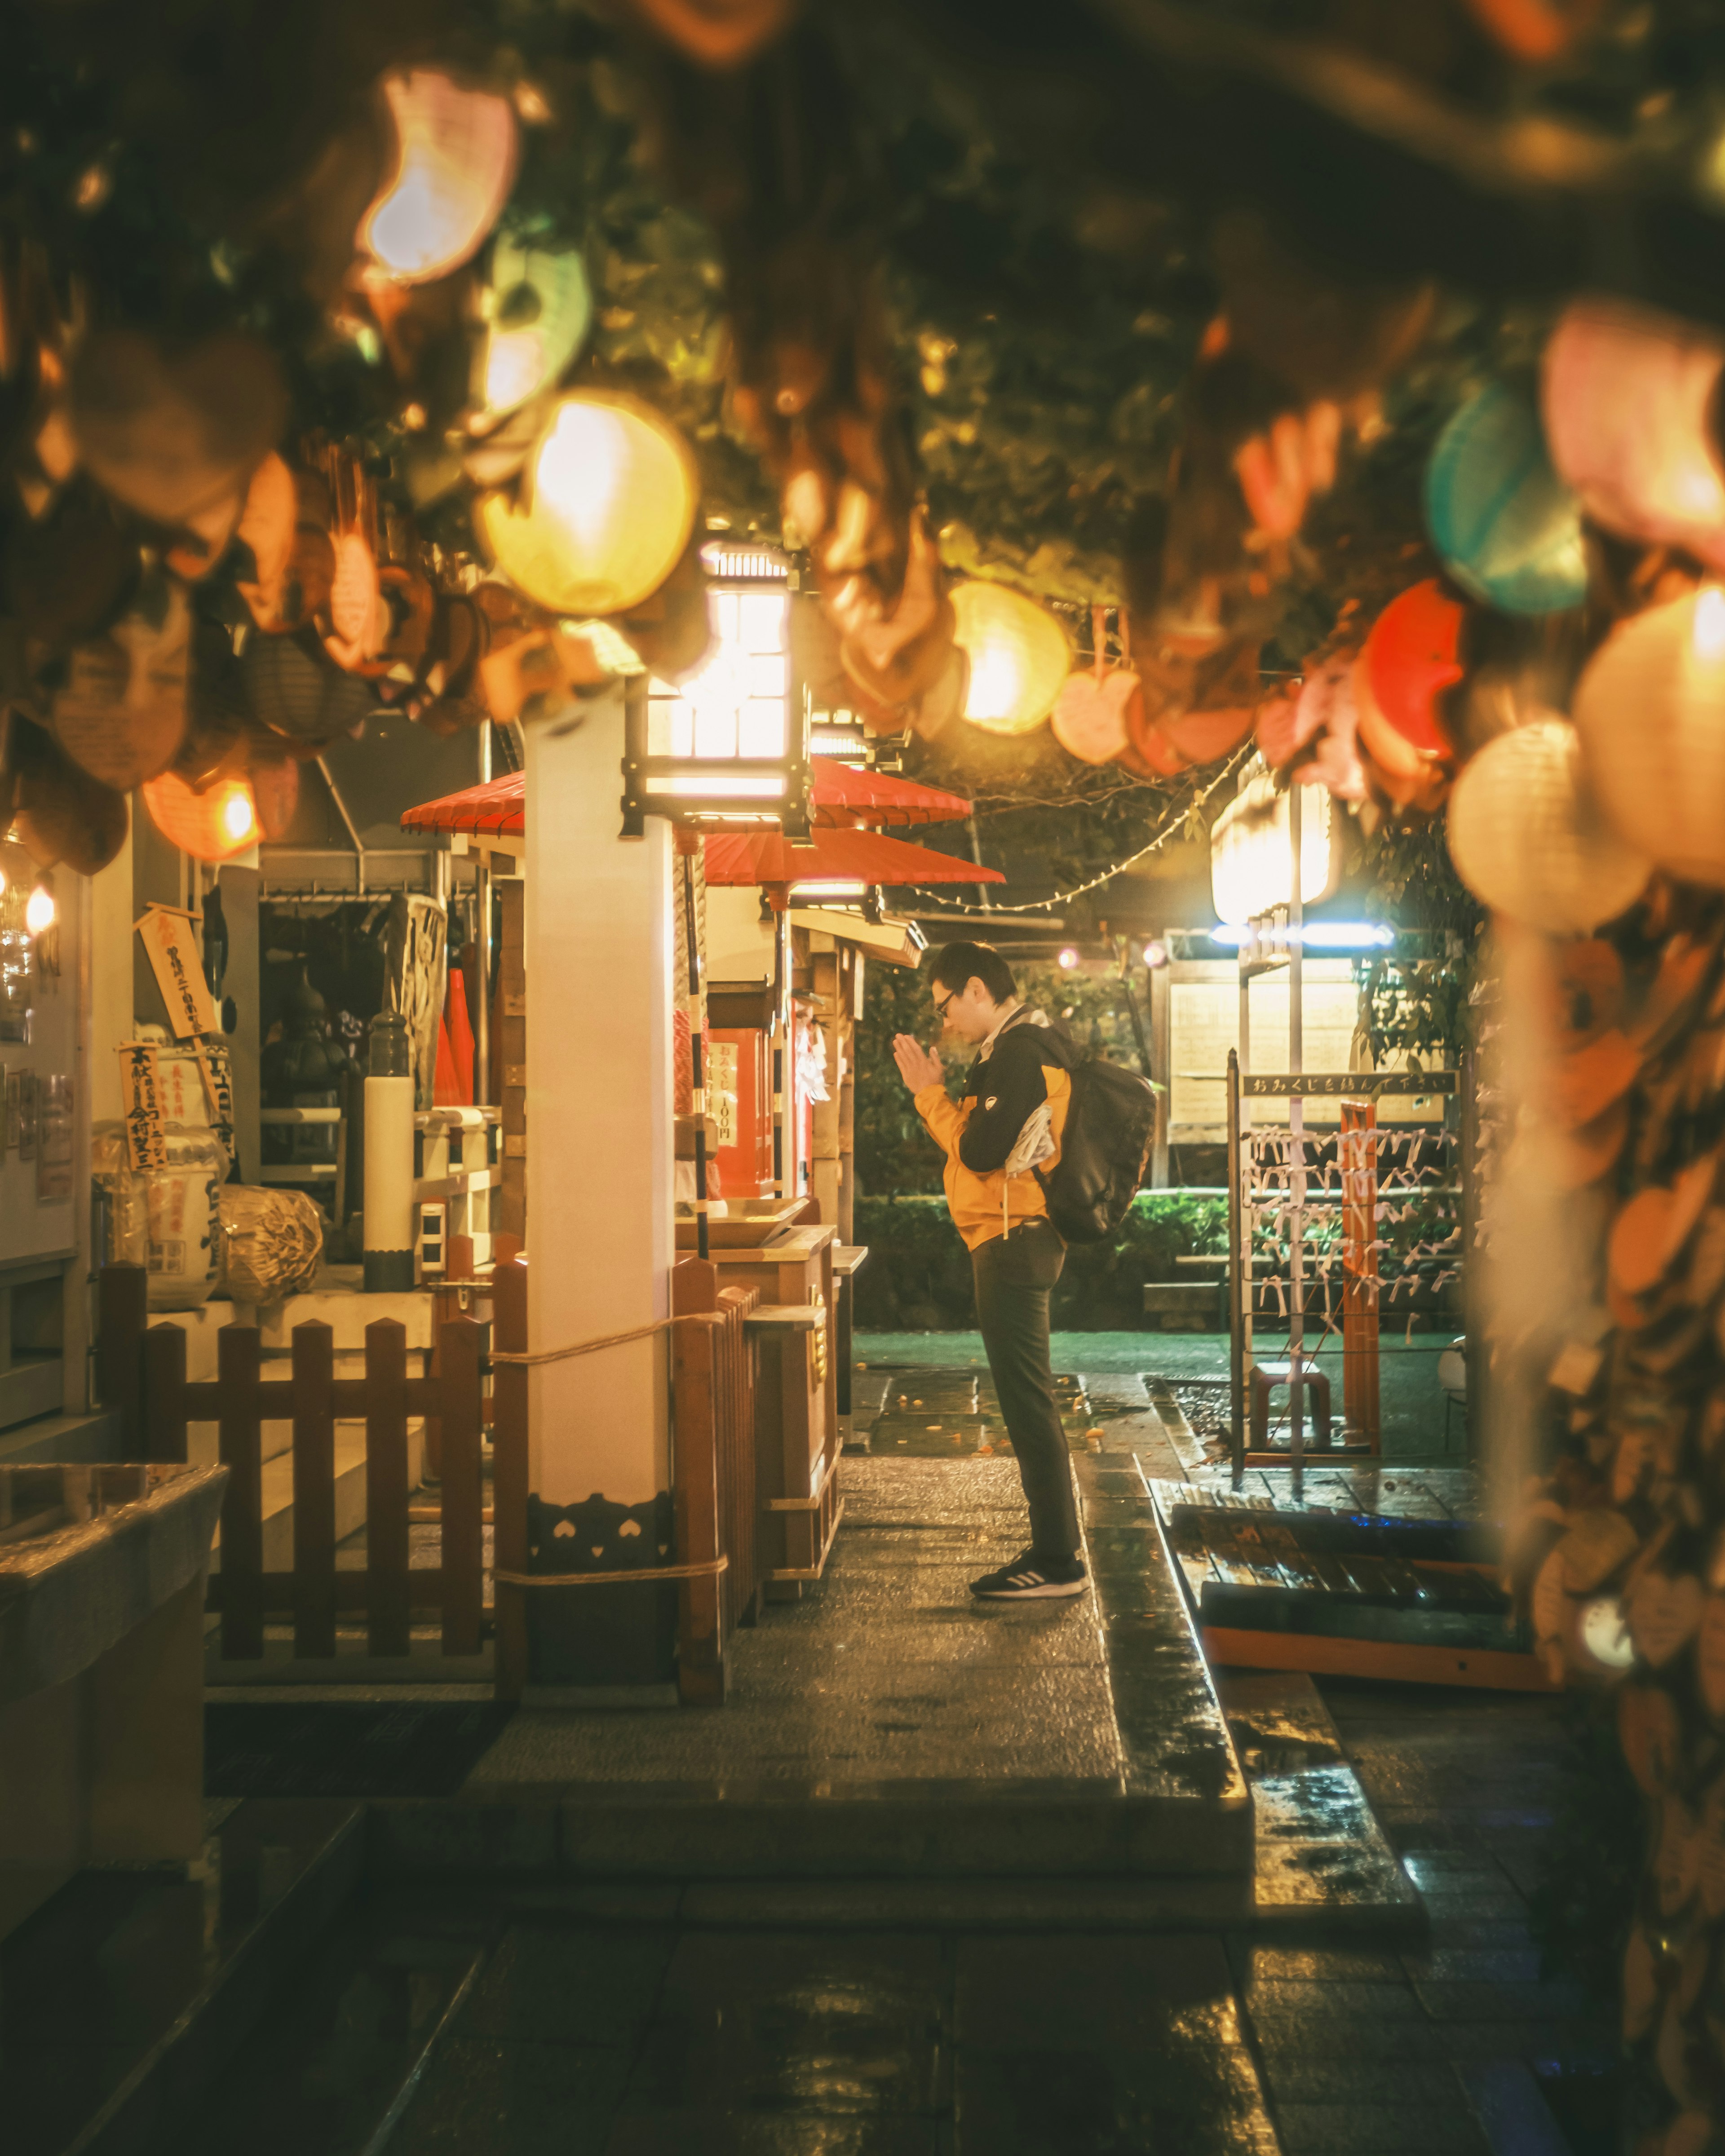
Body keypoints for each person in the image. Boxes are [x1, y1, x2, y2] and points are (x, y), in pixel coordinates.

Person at [892, 941, 1088, 1600]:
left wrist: (929, 1096)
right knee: (1028, 1397)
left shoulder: (1019, 1052)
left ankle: (1057, 1561)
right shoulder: (1025, 1044)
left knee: (1028, 1401)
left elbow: (979, 1153)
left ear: (976, 989)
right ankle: (1055, 1553)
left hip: (1012, 1240)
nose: (944, 1021)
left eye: (946, 1004)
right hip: (1017, 1236)